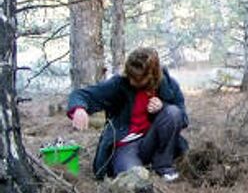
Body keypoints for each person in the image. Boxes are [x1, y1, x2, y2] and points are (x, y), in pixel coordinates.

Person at [67, 47, 188, 181]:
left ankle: (163, 166)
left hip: (151, 140)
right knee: (134, 178)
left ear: (151, 75)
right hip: (125, 146)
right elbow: (81, 95)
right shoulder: (119, 84)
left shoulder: (169, 85)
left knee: (172, 112)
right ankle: (137, 168)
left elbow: (182, 118)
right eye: (130, 76)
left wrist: (162, 106)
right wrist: (79, 109)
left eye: (136, 78)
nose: (131, 81)